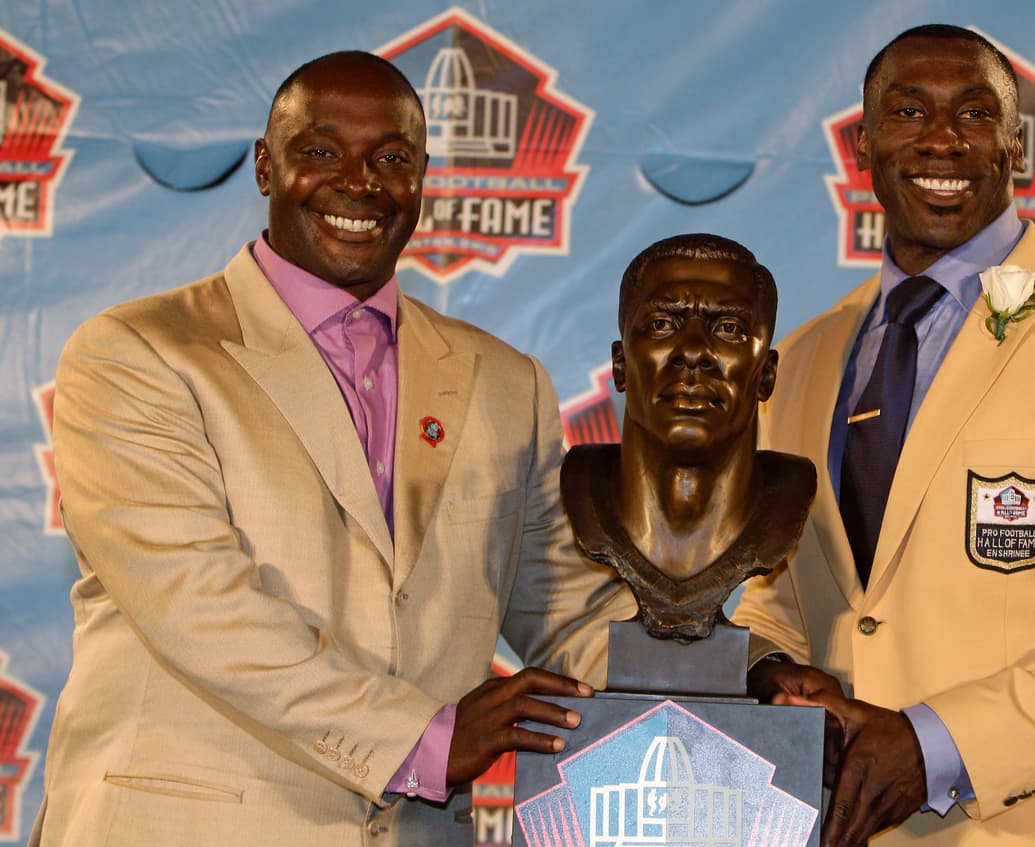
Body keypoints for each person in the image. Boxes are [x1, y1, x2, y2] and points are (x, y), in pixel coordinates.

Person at [32, 51, 627, 846]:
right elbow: (199, 602)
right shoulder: (138, 353)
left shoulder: (503, 381)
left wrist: (735, 684)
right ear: (264, 165)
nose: (358, 182)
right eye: (320, 151)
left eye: (391, 158)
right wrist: (427, 740)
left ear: (422, 179)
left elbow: (566, 603)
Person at [733, 24, 1035, 847]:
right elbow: (778, 597)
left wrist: (936, 744)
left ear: (1017, 146)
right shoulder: (807, 357)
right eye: (907, 112)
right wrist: (770, 672)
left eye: (973, 113)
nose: (940, 139)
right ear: (863, 143)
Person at [560, 234, 815, 643]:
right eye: (662, 325)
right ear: (620, 365)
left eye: (729, 328)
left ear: (766, 374)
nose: (693, 351)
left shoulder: (791, 495)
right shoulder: (575, 487)